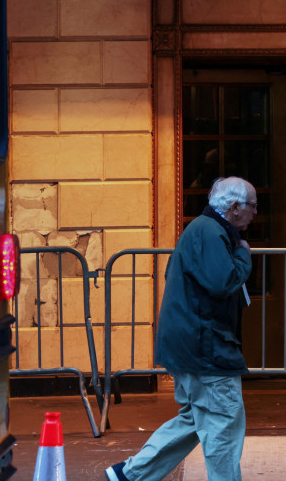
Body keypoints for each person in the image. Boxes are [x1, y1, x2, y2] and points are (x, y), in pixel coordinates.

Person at [104, 177, 257, 481]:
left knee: (195, 418)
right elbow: (222, 281)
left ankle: (131, 475)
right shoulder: (211, 233)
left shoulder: (203, 230)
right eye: (253, 206)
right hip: (205, 346)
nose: (255, 213)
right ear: (236, 207)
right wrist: (243, 255)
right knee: (224, 422)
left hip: (191, 342)